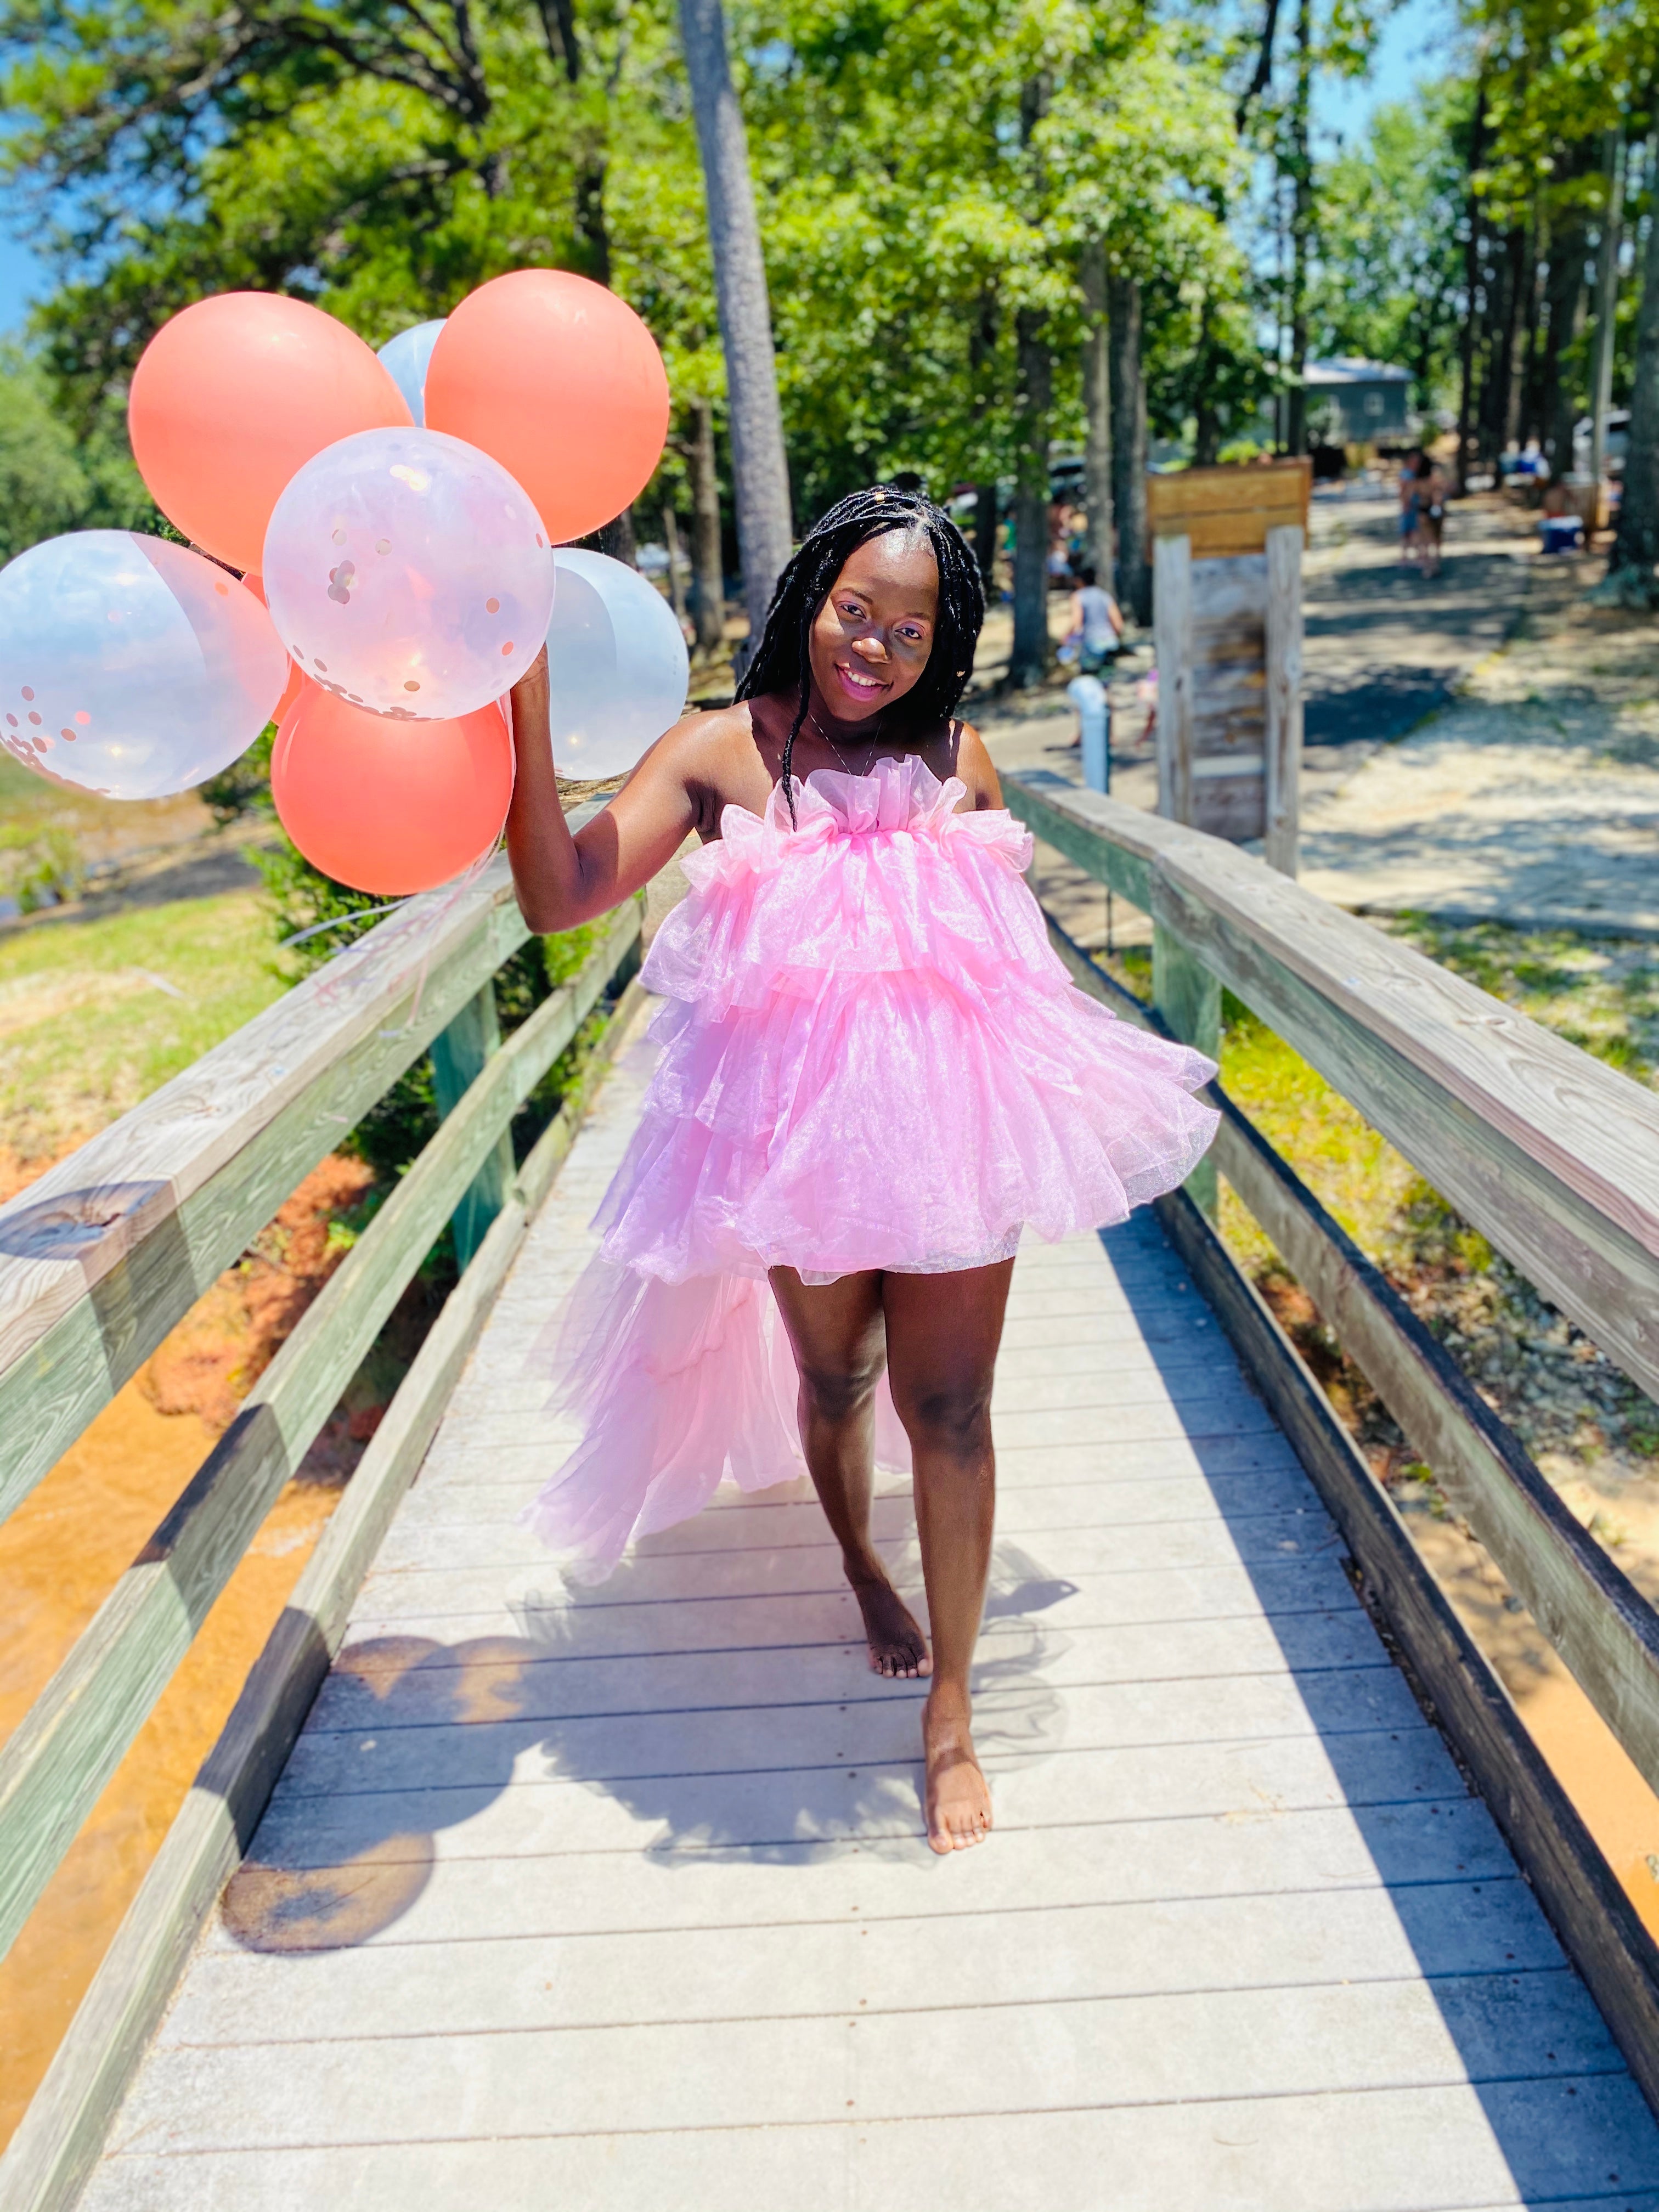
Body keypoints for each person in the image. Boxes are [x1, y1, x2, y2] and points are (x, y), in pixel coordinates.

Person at [504, 486, 1219, 1853]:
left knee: (950, 1408)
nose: (873, 646)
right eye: (854, 610)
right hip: (793, 1147)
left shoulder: (965, 761)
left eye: (909, 627)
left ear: (940, 644)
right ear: (811, 593)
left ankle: (950, 1717)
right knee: (833, 1378)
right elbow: (560, 893)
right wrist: (522, 711)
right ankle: (858, 1565)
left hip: (948, 1137)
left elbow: (1004, 976)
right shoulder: (722, 753)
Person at [1065, 565, 1125, 675]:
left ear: (1079, 581)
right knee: (1106, 680)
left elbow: (1076, 623)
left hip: (1092, 646)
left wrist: (1066, 638)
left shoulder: (1078, 596)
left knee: (1090, 679)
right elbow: (1118, 624)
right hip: (1110, 644)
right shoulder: (1105, 596)